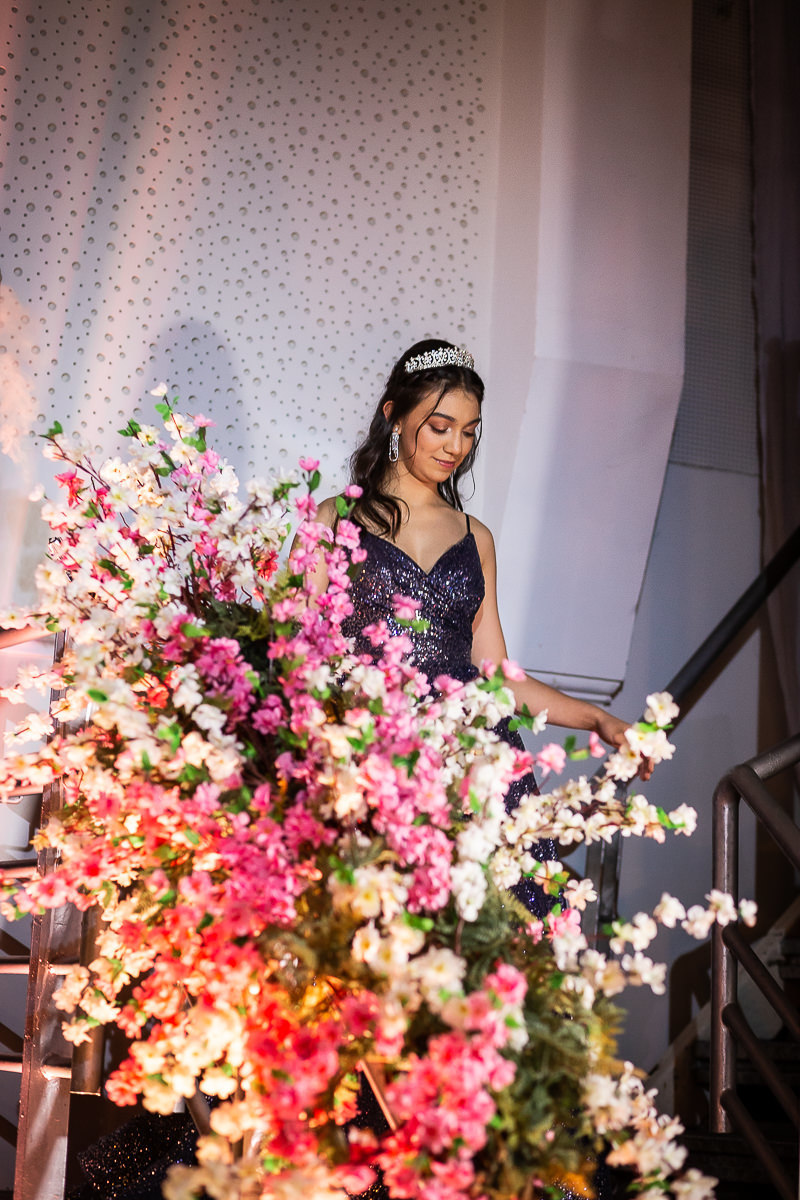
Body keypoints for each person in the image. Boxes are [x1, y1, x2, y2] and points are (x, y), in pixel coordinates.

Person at [310, 336, 642, 795]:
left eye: (469, 432)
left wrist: (598, 719)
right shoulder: (334, 519)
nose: (456, 447)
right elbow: (296, 649)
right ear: (394, 417)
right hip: (369, 755)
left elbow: (498, 677)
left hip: (472, 760)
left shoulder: (476, 538)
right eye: (440, 427)